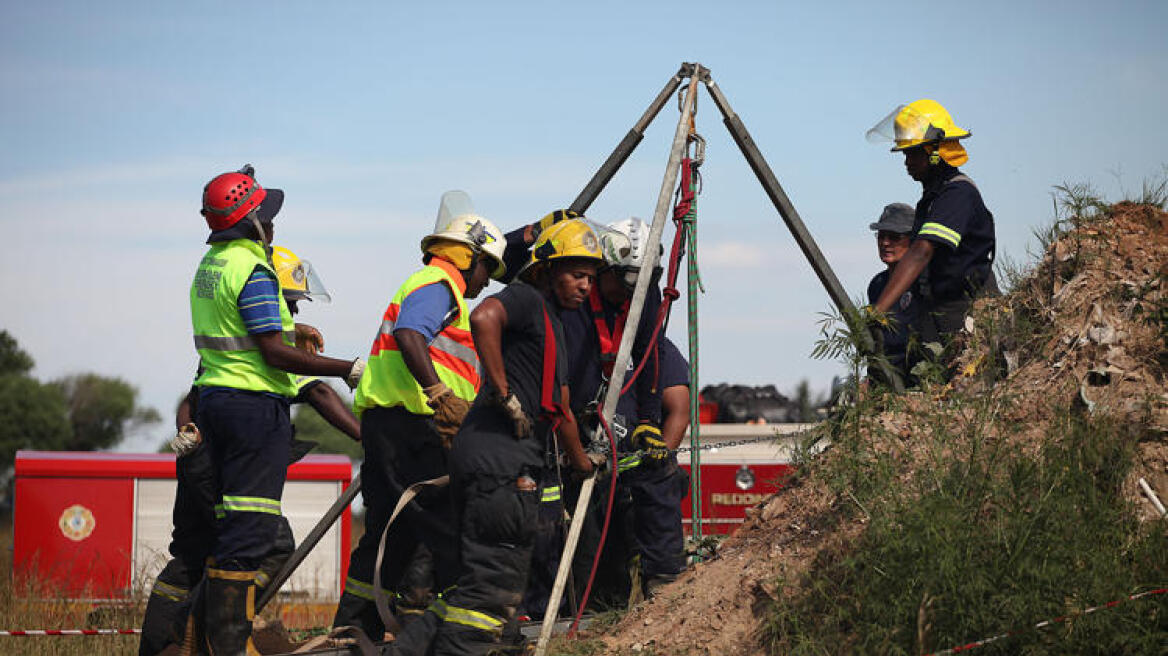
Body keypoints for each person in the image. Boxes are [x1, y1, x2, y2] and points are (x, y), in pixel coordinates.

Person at [390, 219, 604, 656]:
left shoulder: (555, 329)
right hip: (502, 467)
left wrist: (583, 463)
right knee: (489, 596)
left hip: (491, 461)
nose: (585, 286)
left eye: (591, 277)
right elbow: (485, 315)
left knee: (474, 586)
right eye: (576, 274)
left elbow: (561, 408)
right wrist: (503, 394)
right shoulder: (528, 299)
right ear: (545, 270)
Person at [140, 247, 359, 656]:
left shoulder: (235, 349)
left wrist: (187, 432)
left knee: (195, 552)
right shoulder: (269, 351)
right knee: (268, 542)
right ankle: (208, 625)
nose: (291, 310)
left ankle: (168, 643)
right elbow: (321, 393)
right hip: (214, 467)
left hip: (199, 460)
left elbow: (191, 397)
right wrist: (366, 435)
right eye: (289, 301)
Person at [188, 166, 365, 653]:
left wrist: (294, 337)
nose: (273, 221)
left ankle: (214, 639)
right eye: (267, 213)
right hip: (252, 411)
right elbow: (270, 352)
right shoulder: (254, 267)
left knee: (236, 531)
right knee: (250, 533)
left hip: (215, 402)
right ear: (251, 219)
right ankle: (228, 645)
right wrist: (342, 367)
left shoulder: (213, 264)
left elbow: (240, 338)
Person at [333, 191, 507, 640]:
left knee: (392, 539)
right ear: (467, 257)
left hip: (393, 427)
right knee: (449, 527)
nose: (487, 281)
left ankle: (352, 632)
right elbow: (411, 335)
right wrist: (439, 394)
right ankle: (478, 637)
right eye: (488, 267)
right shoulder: (438, 287)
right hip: (411, 429)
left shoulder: (429, 286)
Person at [866, 100, 998, 351]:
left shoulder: (957, 194)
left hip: (968, 311)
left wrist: (878, 311)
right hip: (941, 311)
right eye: (905, 154)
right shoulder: (932, 200)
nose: (907, 162)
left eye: (913, 153)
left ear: (935, 150)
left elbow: (922, 252)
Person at [864, 203, 922, 386]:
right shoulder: (877, 285)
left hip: (917, 382)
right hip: (886, 383)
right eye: (881, 236)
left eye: (894, 237)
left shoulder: (923, 283)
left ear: (913, 240)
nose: (885, 243)